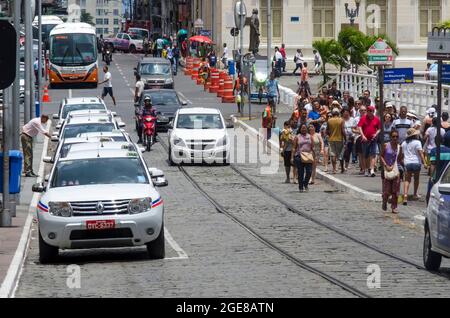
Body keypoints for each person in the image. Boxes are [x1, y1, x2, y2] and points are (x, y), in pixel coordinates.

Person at [401, 128, 426, 205]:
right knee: (416, 179)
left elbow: (401, 155)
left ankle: (405, 195)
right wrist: (424, 162)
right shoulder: (417, 142)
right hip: (416, 162)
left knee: (407, 180)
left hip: (407, 163)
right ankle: (415, 194)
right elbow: (421, 153)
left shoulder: (404, 143)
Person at [380, 130, 403, 214]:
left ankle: (394, 207)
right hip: (387, 169)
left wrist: (401, 152)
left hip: (396, 169)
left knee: (395, 191)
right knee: (386, 191)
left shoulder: (399, 147)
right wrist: (385, 165)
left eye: (396, 136)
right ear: (390, 137)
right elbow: (381, 156)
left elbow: (400, 159)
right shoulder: (386, 145)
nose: (395, 138)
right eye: (393, 136)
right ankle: (384, 201)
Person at [427, 132, 450, 204]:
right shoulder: (449, 150)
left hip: (436, 176)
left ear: (435, 141)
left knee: (430, 194)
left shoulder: (434, 150)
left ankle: (429, 209)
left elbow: (433, 165)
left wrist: (431, 177)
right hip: (445, 178)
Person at [358, 105, 381, 177]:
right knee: (365, 155)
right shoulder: (363, 118)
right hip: (365, 139)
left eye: (371, 111)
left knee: (373, 154)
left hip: (373, 139)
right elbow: (359, 127)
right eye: (368, 111)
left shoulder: (376, 119)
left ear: (373, 111)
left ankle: (372, 169)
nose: (369, 112)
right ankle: (365, 169)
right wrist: (363, 136)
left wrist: (376, 134)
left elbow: (379, 128)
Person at [291, 123, 315, 192]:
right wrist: (292, 157)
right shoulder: (297, 137)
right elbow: (294, 148)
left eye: (305, 128)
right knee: (300, 172)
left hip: (308, 156)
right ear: (300, 129)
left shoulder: (310, 136)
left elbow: (313, 147)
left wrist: (315, 155)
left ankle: (305, 183)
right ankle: (301, 187)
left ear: (307, 129)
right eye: (302, 128)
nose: (304, 129)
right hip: (299, 156)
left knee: (309, 171)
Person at [327, 108, 346, 174]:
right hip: (339, 139)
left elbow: (327, 131)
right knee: (341, 155)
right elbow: (343, 131)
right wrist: (345, 138)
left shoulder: (329, 120)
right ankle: (342, 168)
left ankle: (334, 169)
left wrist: (330, 135)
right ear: (338, 113)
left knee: (333, 154)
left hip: (331, 139)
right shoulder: (341, 120)